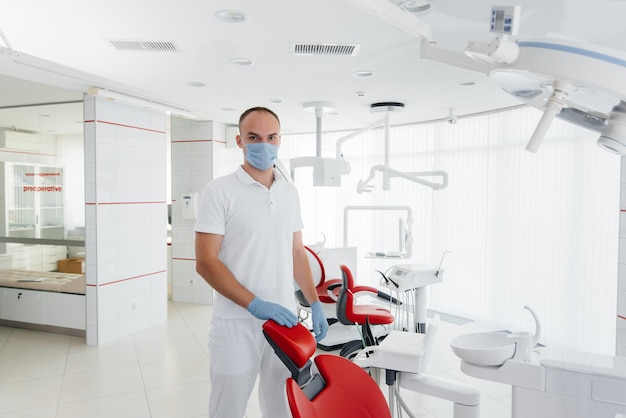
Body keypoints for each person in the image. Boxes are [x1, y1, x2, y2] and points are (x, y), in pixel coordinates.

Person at [194, 106, 329, 418]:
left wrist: (314, 302)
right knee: (227, 410)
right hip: (235, 324)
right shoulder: (219, 191)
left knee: (282, 406)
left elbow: (297, 252)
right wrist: (255, 304)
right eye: (254, 137)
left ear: (280, 140)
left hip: (285, 322)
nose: (263, 145)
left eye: (271, 137)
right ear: (240, 141)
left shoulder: (289, 192)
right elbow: (205, 262)